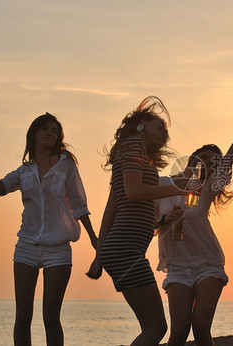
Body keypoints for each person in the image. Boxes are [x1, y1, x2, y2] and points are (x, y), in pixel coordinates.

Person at [0, 112, 97, 345]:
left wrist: (93, 237)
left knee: (50, 317)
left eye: (55, 131)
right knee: (22, 316)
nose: (51, 133)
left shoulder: (66, 165)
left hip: (58, 248)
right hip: (26, 247)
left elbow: (80, 205)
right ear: (33, 134)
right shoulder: (25, 171)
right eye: (46, 129)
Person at [156, 96, 233, 346]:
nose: (208, 162)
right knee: (179, 330)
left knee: (201, 326)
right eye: (204, 157)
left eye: (214, 162)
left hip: (207, 264)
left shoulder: (206, 188)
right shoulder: (161, 185)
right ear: (192, 158)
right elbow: (147, 224)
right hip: (177, 267)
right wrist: (165, 218)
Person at [87, 96, 187, 345]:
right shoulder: (132, 147)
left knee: (153, 326)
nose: (164, 133)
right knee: (156, 327)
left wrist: (99, 255)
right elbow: (133, 192)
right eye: (160, 127)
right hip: (125, 251)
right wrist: (178, 188)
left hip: (121, 250)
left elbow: (112, 207)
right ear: (141, 123)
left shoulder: (133, 152)